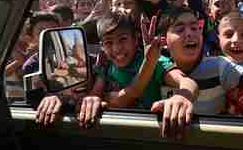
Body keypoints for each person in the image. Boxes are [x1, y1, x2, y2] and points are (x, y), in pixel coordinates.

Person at [36, 12, 200, 139]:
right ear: (102, 47)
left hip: (151, 133)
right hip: (114, 133)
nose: (116, 49)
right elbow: (94, 98)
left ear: (136, 40)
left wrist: (183, 97)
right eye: (108, 42)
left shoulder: (154, 58)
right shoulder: (105, 68)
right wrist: (63, 98)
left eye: (122, 39)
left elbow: (187, 82)